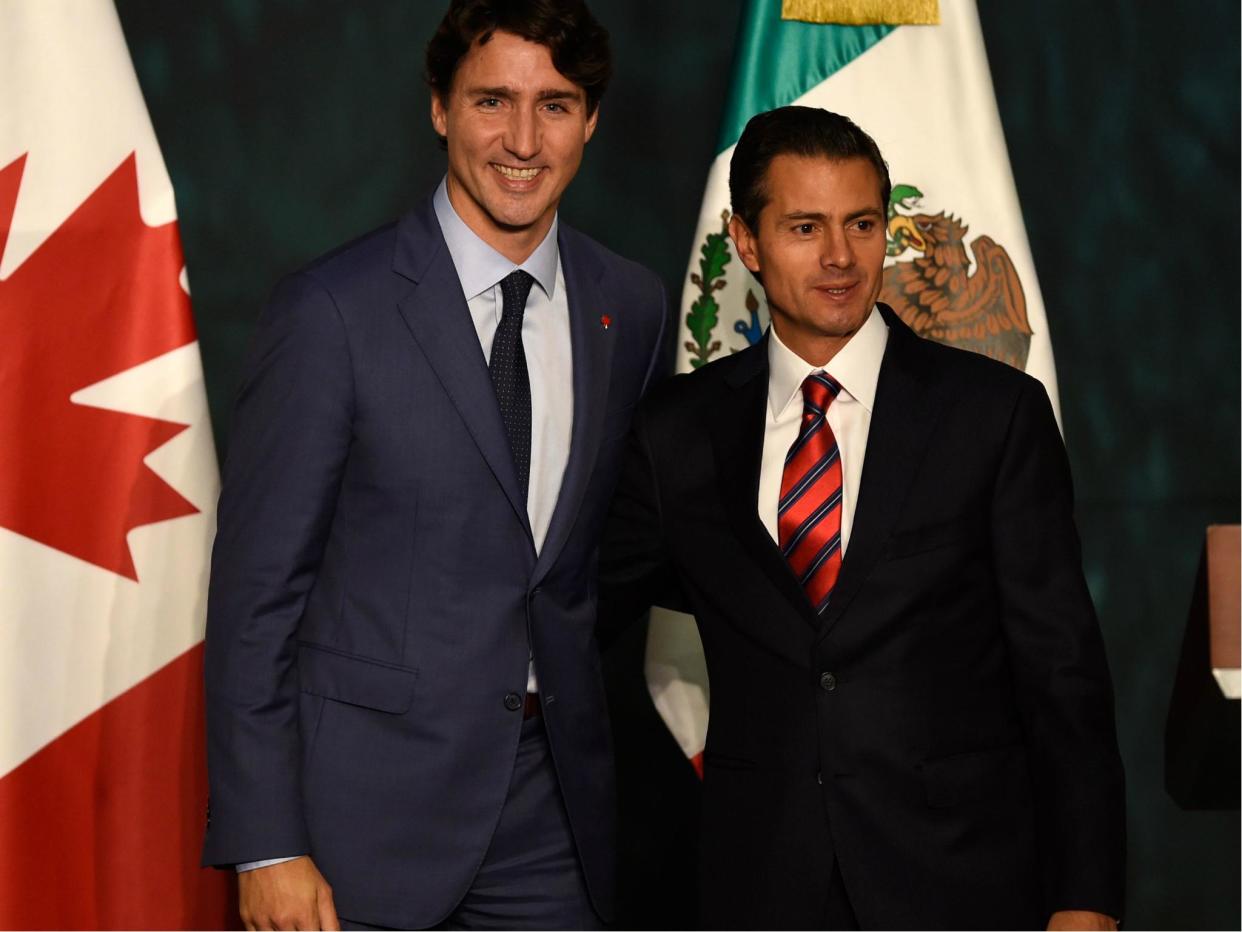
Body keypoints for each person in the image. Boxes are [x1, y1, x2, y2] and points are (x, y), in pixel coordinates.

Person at [600, 106, 1125, 930]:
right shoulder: (678, 432)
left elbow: (1064, 678)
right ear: (746, 242)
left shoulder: (995, 415)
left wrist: (1087, 897)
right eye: (805, 227)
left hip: (962, 886)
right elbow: (574, 612)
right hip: (757, 888)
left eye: (863, 224)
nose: (840, 257)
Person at [201, 2, 668, 928]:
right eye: (493, 100)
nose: (524, 140)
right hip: (354, 831)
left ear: (592, 120)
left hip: (554, 823)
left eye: (557, 104)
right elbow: (256, 601)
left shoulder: (631, 305)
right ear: (440, 109)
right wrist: (268, 842)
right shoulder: (332, 312)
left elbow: (602, 565)